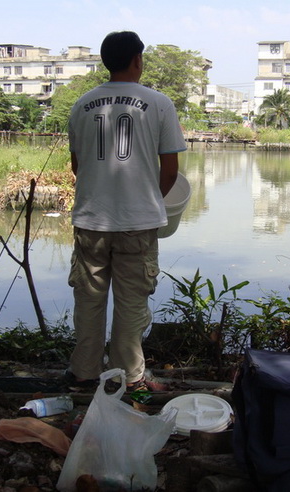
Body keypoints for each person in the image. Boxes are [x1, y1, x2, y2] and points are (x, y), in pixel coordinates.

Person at [66, 31, 186, 391]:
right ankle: (126, 377)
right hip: (138, 222)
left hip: (91, 220)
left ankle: (84, 373)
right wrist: (149, 199)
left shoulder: (81, 104)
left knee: (89, 299)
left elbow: (78, 165)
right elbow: (170, 172)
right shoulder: (159, 103)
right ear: (137, 60)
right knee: (132, 301)